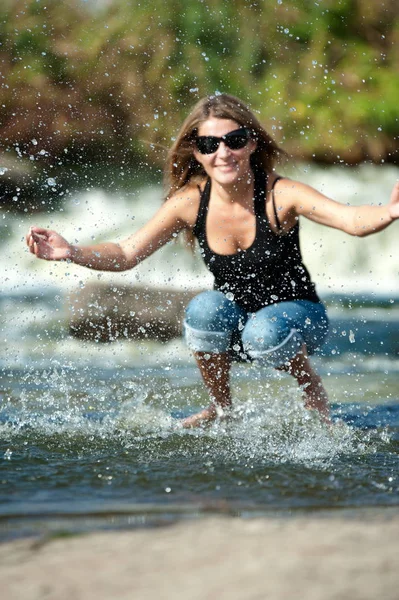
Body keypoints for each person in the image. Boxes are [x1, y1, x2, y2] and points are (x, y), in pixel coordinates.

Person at [26, 93, 399, 428]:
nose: (223, 153)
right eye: (209, 144)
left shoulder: (280, 194)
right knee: (204, 308)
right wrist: (72, 251)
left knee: (264, 331)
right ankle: (222, 409)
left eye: (234, 141)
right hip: (238, 326)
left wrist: (389, 212)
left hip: (298, 321)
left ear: (252, 143)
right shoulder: (190, 202)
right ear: (197, 151)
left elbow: (351, 220)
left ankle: (312, 389)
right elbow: (126, 253)